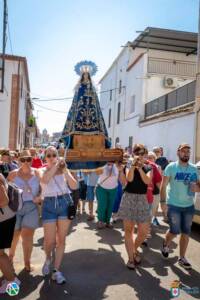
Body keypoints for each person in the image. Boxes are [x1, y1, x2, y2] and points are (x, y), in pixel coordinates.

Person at [61, 63, 110, 172]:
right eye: (84, 75)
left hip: (92, 115)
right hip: (80, 115)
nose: (86, 77)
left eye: (87, 75)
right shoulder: (79, 88)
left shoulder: (92, 88)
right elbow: (76, 103)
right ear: (82, 76)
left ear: (89, 76)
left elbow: (95, 104)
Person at [40, 146, 77, 284]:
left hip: (65, 202)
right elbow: (44, 180)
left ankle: (56, 270)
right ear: (45, 157)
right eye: (48, 155)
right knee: (49, 241)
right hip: (49, 204)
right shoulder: (42, 169)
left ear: (57, 155)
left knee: (61, 239)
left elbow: (74, 186)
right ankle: (48, 258)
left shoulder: (63, 169)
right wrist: (56, 166)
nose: (51, 157)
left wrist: (66, 170)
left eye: (53, 155)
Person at [160, 143, 200, 270]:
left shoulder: (194, 169)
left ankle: (182, 258)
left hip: (189, 206)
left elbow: (199, 184)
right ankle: (165, 244)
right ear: (178, 153)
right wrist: (162, 202)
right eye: (183, 151)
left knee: (186, 232)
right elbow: (163, 185)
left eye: (188, 151)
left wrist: (197, 188)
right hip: (173, 205)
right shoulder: (171, 167)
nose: (186, 153)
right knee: (174, 231)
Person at [118, 144, 152, 269]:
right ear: (134, 154)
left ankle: (134, 250)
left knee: (143, 232)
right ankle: (131, 259)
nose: (141, 156)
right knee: (128, 230)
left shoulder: (148, 167)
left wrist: (140, 168)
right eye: (139, 153)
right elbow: (129, 179)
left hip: (142, 199)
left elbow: (147, 181)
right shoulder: (128, 165)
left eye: (143, 153)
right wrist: (133, 166)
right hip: (129, 198)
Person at [8, 150, 41, 272]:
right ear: (18, 160)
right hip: (15, 207)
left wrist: (40, 196)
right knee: (14, 235)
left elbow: (45, 187)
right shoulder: (13, 174)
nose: (26, 162)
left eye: (29, 159)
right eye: (23, 159)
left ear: (32, 159)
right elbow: (5, 190)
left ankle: (27, 261)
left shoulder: (37, 173)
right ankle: (10, 257)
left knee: (27, 235)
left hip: (31, 207)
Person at [0, 174, 20, 294]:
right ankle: (11, 279)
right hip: (5, 218)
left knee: (0, 255)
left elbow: (4, 200)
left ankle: (12, 282)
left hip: (3, 219)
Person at [96, 162, 126, 229]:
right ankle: (100, 221)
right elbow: (97, 173)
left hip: (113, 188)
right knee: (102, 205)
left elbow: (123, 182)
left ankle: (107, 221)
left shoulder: (118, 166)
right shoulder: (102, 164)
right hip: (102, 187)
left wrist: (121, 170)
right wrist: (103, 165)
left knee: (110, 205)